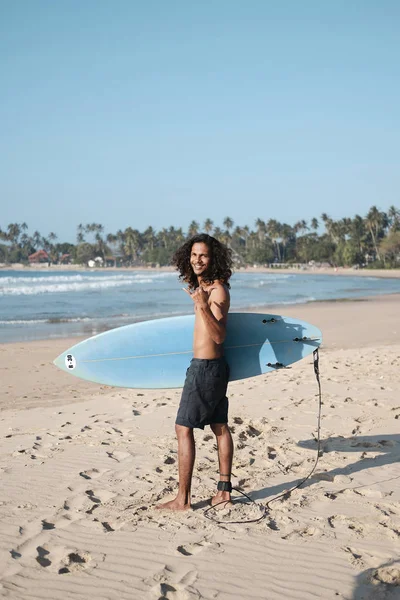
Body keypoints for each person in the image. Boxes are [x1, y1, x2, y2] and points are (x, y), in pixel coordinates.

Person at [156, 233, 234, 511]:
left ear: (213, 258)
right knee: (219, 426)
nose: (197, 260)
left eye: (203, 255)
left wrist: (201, 304)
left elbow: (219, 336)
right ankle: (224, 492)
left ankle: (183, 499)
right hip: (210, 368)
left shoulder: (217, 292)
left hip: (205, 368)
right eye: (193, 255)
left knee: (183, 428)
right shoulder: (207, 288)